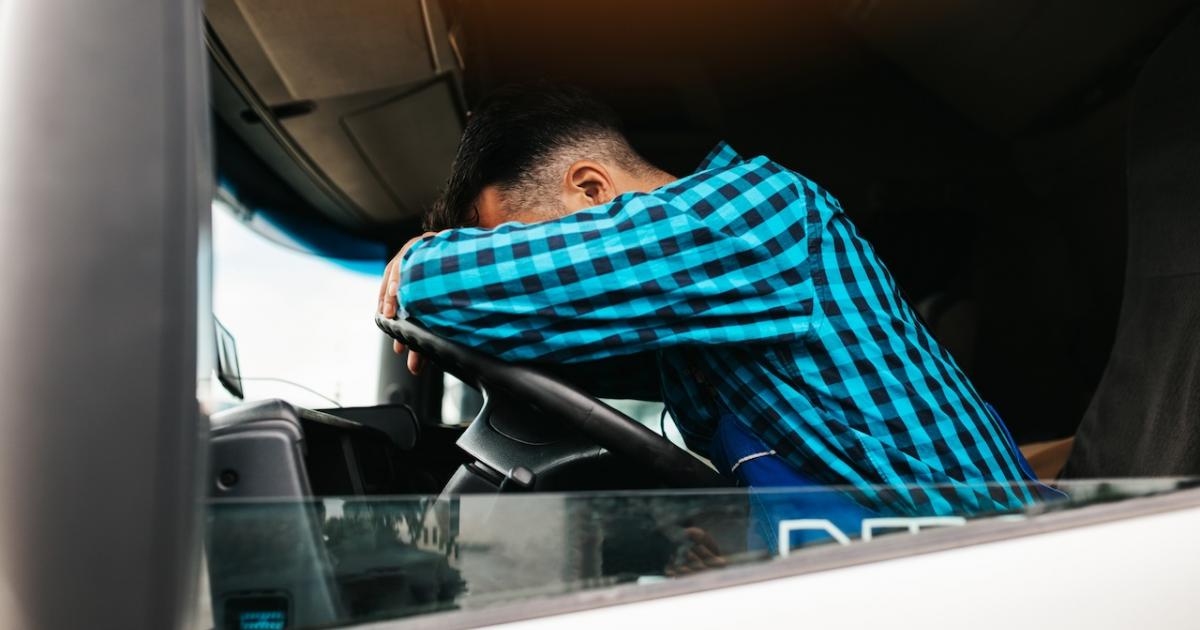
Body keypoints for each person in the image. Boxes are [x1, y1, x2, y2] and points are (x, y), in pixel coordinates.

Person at [375, 84, 1045, 546]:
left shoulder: (759, 207)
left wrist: (420, 260)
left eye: (518, 242)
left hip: (985, 560)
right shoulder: (688, 321)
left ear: (591, 189)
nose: (518, 266)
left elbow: (444, 286)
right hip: (878, 557)